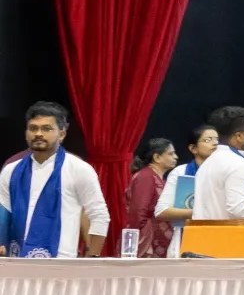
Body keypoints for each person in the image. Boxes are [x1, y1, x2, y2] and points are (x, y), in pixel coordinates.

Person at [1, 102, 110, 258]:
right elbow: (3, 214)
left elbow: (99, 215)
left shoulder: (79, 169)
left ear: (61, 134)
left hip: (62, 262)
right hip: (16, 262)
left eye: (47, 128)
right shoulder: (11, 170)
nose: (38, 133)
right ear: (26, 133)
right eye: (33, 128)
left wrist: (93, 256)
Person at [192, 106, 244, 221]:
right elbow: (239, 210)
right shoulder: (237, 163)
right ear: (239, 136)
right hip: (226, 237)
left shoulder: (209, 162)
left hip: (204, 236)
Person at [156, 125, 218, 257]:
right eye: (208, 140)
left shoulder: (225, 172)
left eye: (217, 139)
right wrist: (202, 212)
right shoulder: (181, 172)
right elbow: (161, 211)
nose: (215, 143)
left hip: (220, 236)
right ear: (193, 148)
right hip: (185, 238)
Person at [125, 138, 187, 258]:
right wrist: (143, 245)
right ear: (157, 157)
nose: (176, 157)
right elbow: (138, 215)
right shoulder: (145, 176)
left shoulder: (159, 179)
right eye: (170, 153)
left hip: (158, 242)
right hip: (146, 244)